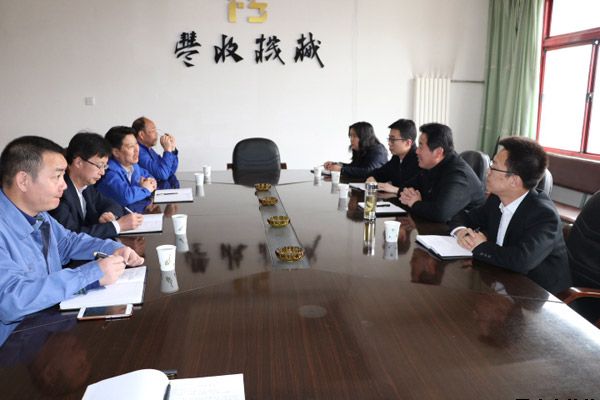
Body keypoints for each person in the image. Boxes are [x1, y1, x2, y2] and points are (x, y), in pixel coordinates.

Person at [0, 136, 144, 326]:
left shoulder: (40, 215)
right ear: (23, 180)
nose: (65, 185)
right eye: (57, 176)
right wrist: (90, 274)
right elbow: (10, 301)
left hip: (47, 321)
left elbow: (69, 242)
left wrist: (113, 248)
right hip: (16, 337)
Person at [449, 136, 571, 295]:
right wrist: (460, 231)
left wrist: (480, 246)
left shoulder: (544, 215)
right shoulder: (496, 199)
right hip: (503, 281)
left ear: (514, 181)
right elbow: (464, 216)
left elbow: (522, 260)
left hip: (540, 297)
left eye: (494, 166)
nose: (488, 172)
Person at [49, 132, 143, 239]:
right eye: (99, 165)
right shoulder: (60, 193)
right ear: (79, 162)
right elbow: (71, 236)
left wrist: (108, 214)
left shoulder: (87, 187)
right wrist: (118, 226)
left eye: (105, 166)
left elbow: (113, 204)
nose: (102, 172)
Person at [399, 123, 485, 222]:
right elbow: (404, 187)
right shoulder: (430, 166)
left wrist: (415, 203)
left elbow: (440, 213)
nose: (416, 151)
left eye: (421, 146)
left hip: (464, 229)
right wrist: (410, 197)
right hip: (436, 225)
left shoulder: (458, 175)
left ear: (438, 152)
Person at [96, 126, 157, 211]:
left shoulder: (133, 166)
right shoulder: (108, 173)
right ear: (116, 152)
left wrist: (150, 183)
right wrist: (145, 189)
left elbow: (150, 178)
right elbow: (126, 197)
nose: (137, 150)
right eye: (131, 146)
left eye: (136, 144)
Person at [366, 118, 420, 194]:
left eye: (393, 140)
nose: (389, 143)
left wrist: (395, 190)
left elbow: (419, 191)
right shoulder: (396, 158)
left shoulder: (420, 160)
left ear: (408, 143)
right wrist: (372, 178)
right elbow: (379, 173)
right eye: (389, 139)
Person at [323, 121, 388, 180]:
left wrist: (341, 170)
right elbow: (355, 167)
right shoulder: (361, 148)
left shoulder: (378, 150)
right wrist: (337, 165)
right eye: (350, 136)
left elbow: (369, 172)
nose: (351, 139)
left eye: (354, 136)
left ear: (364, 137)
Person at [132, 117, 179, 189]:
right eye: (153, 130)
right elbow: (163, 175)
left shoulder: (149, 149)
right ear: (141, 135)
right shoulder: (139, 152)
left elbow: (170, 171)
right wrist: (167, 151)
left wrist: (172, 149)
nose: (156, 133)